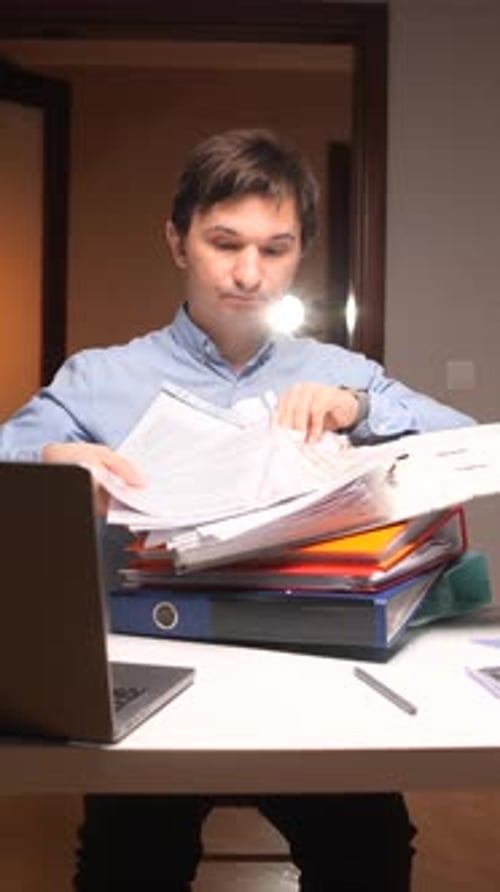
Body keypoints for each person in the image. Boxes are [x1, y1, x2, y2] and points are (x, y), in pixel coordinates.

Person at [0, 128, 474, 891]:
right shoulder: (100, 377)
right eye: (225, 243)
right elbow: (7, 456)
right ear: (178, 241)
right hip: (154, 657)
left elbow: (467, 443)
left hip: (314, 663)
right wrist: (51, 461)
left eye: (275, 249)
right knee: (130, 863)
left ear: (300, 252)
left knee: (369, 849)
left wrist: (361, 408)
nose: (250, 274)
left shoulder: (341, 371)